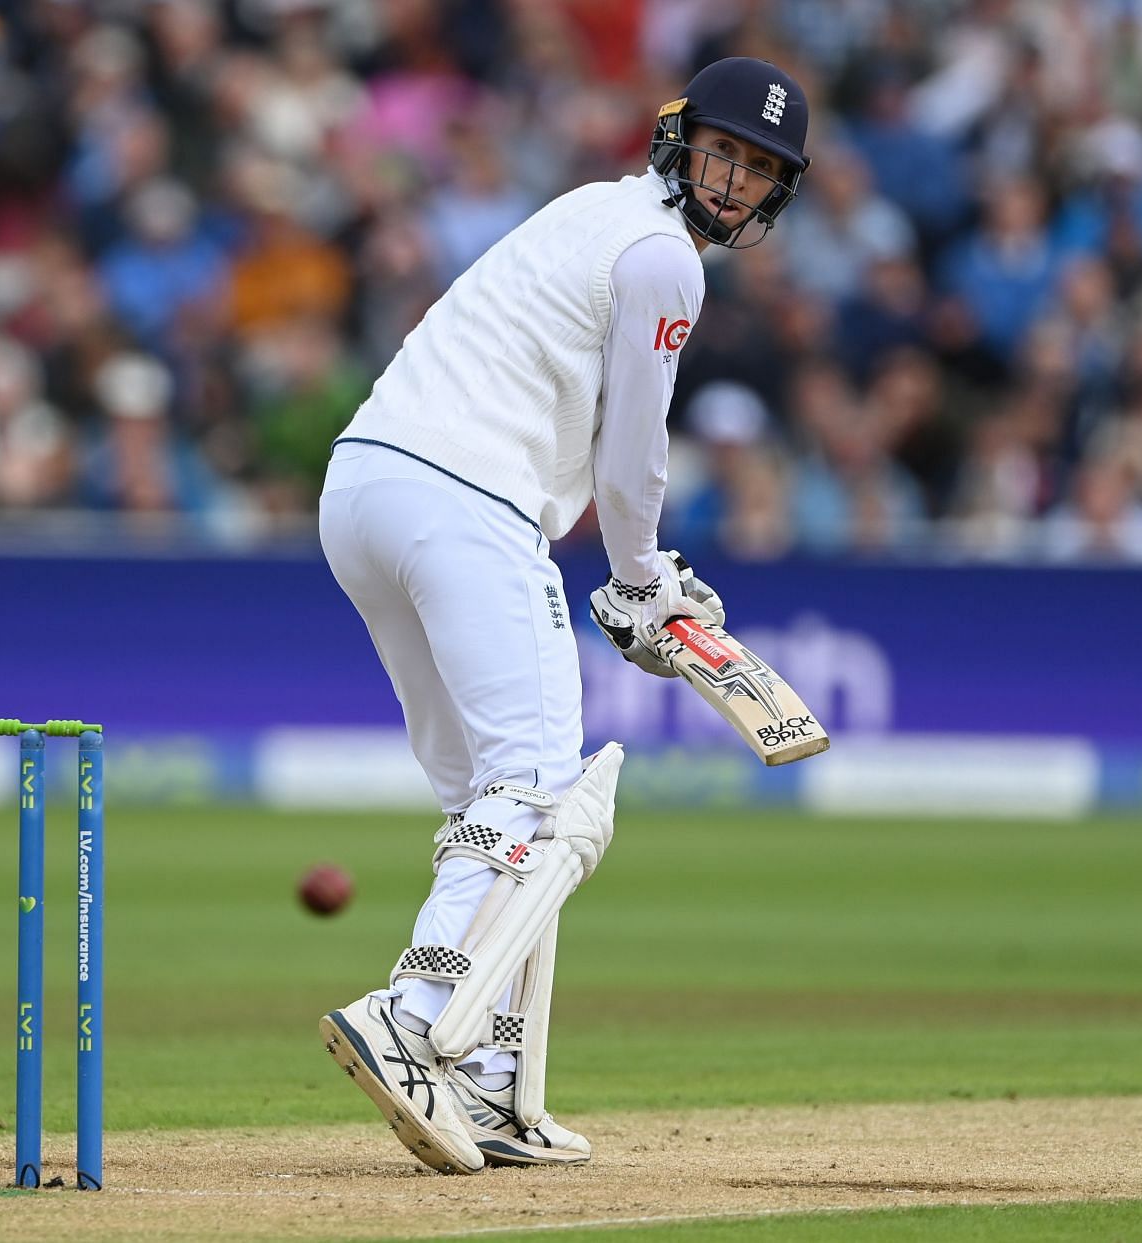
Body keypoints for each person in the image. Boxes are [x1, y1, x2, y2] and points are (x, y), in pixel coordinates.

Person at [314, 59, 810, 1174]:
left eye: (759, 169)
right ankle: (411, 1014)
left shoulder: (592, 209)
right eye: (725, 153)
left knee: (489, 805)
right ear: (683, 141)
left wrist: (638, 577)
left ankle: (489, 1082)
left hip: (365, 490)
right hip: (466, 502)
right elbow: (632, 455)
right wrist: (641, 581)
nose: (733, 182)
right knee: (543, 795)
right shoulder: (662, 258)